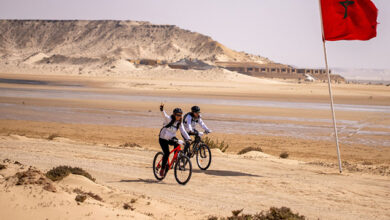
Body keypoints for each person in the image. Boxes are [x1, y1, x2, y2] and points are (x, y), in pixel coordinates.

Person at [158, 104, 191, 177]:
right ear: (174, 114)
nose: (179, 117)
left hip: (171, 137)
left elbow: (183, 131)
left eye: (180, 115)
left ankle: (176, 158)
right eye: (177, 115)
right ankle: (162, 169)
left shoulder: (179, 122)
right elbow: (164, 115)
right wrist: (162, 109)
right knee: (167, 153)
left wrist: (188, 138)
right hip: (163, 138)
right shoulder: (169, 119)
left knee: (178, 144)